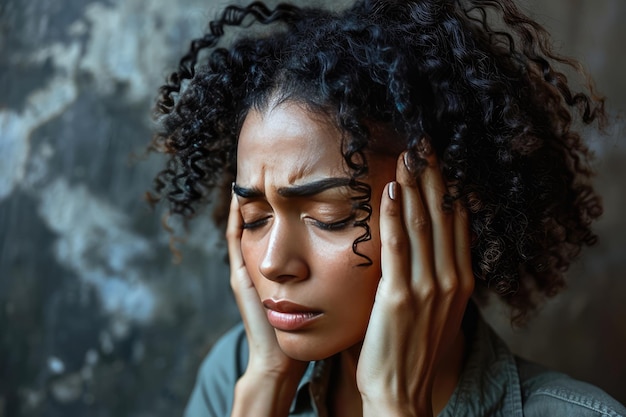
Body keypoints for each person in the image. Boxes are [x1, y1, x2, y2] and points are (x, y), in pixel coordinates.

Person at [147, 0, 626, 415]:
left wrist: (393, 407)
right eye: (255, 218)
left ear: (450, 212)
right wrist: (266, 388)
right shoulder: (235, 374)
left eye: (329, 217)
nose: (273, 263)